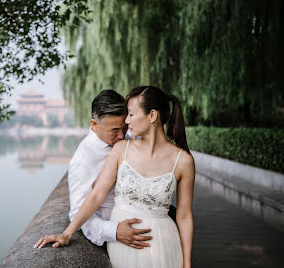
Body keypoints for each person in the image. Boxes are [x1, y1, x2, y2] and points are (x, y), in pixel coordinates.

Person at [34, 86, 195, 268]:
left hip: (164, 243)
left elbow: (184, 215)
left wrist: (187, 263)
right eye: (126, 117)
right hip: (123, 247)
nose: (126, 122)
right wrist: (67, 234)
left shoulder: (184, 161)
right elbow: (96, 196)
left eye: (131, 115)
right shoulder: (119, 150)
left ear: (152, 116)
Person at [67, 90, 153, 249]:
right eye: (114, 130)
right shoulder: (83, 160)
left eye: (124, 127)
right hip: (120, 236)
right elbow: (77, 213)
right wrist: (114, 231)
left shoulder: (126, 139)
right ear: (94, 124)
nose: (121, 135)